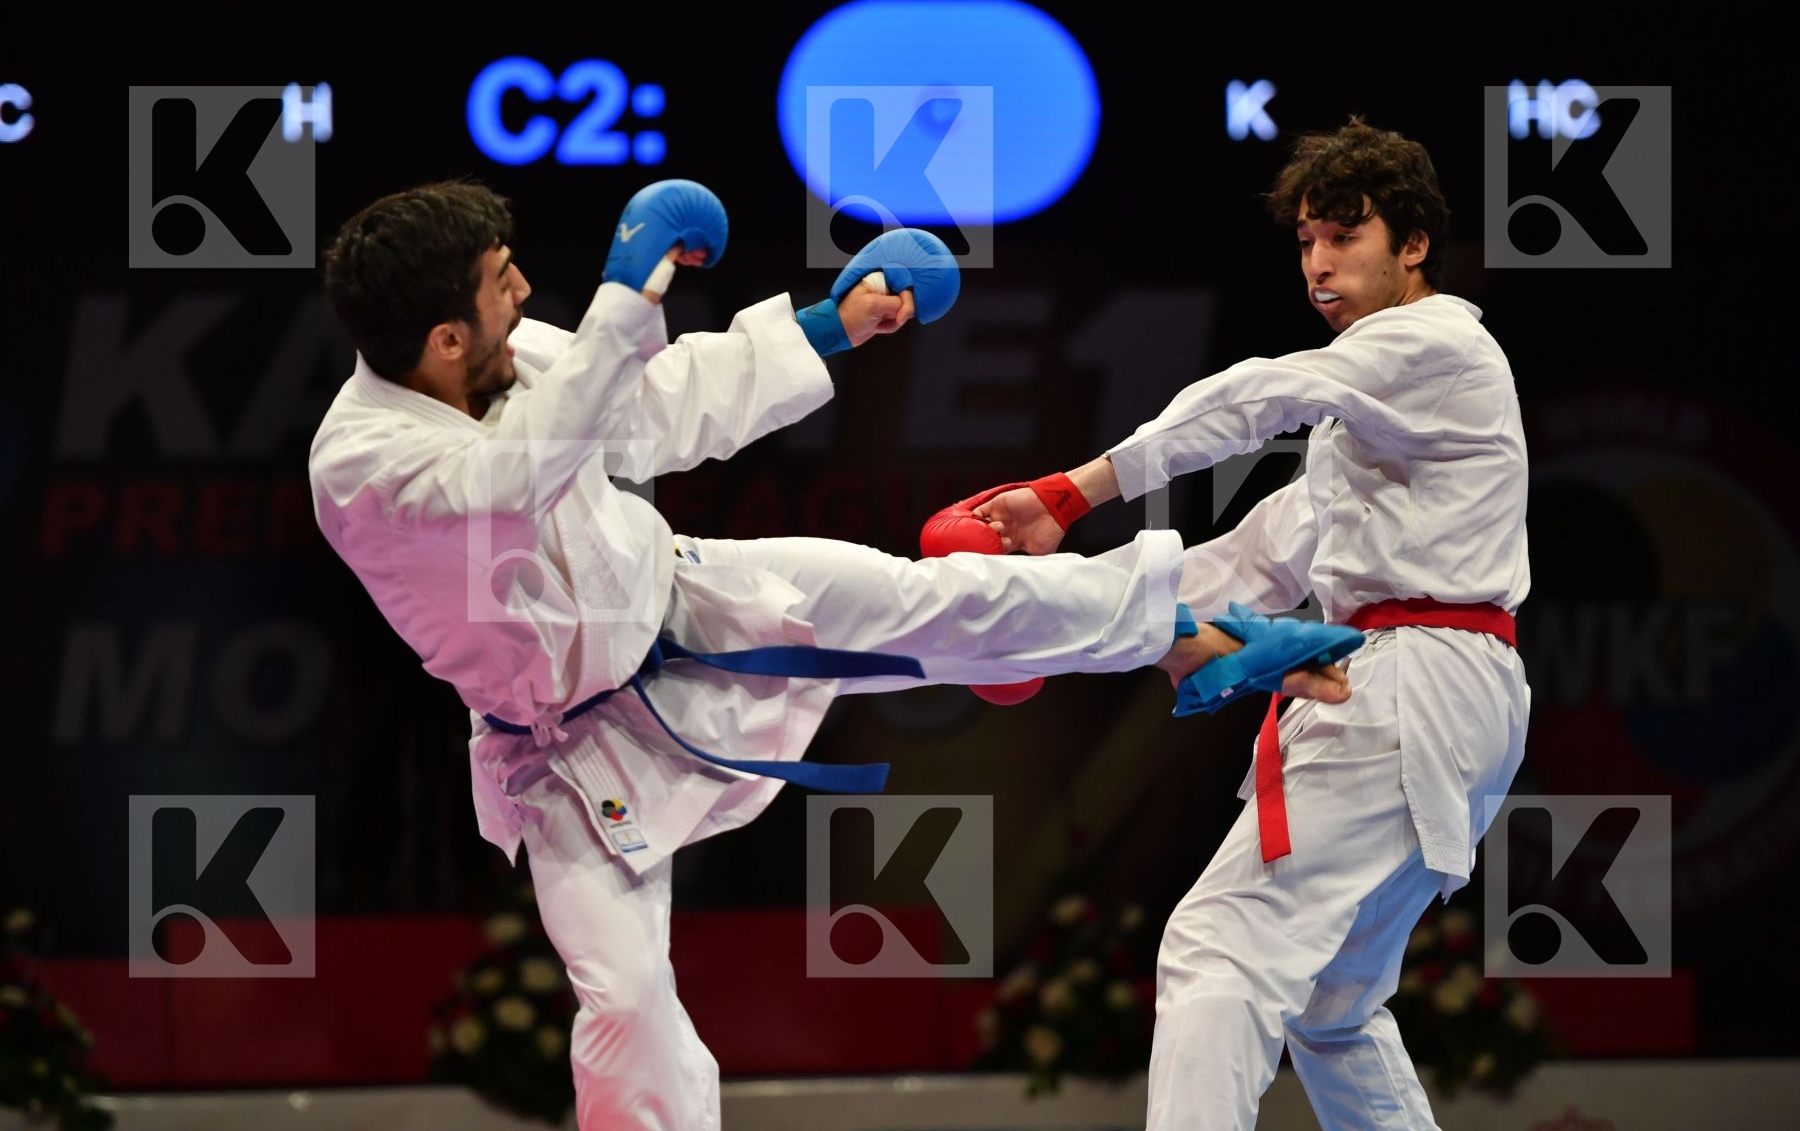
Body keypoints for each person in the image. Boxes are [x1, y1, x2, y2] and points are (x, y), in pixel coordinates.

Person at [307, 178, 1354, 1131]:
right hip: (570, 752)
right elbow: (515, 482)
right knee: (624, 999)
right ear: (445, 338)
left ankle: (1204, 629)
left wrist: (833, 325)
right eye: (502, 284)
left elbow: (648, 408)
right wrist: (623, 299)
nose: (525, 289)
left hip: (685, 596)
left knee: (928, 602)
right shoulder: (361, 469)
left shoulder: (508, 352)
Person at [968, 117, 1531, 1129]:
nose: (1318, 265)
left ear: (1413, 247)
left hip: (1416, 677)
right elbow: (1237, 567)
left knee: (1220, 945)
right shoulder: (1363, 428)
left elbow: (1257, 392)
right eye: (1307, 241)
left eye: (1345, 237)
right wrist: (1024, 613)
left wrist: (1070, 489)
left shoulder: (1437, 344)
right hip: (1446, 686)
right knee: (1332, 1004)